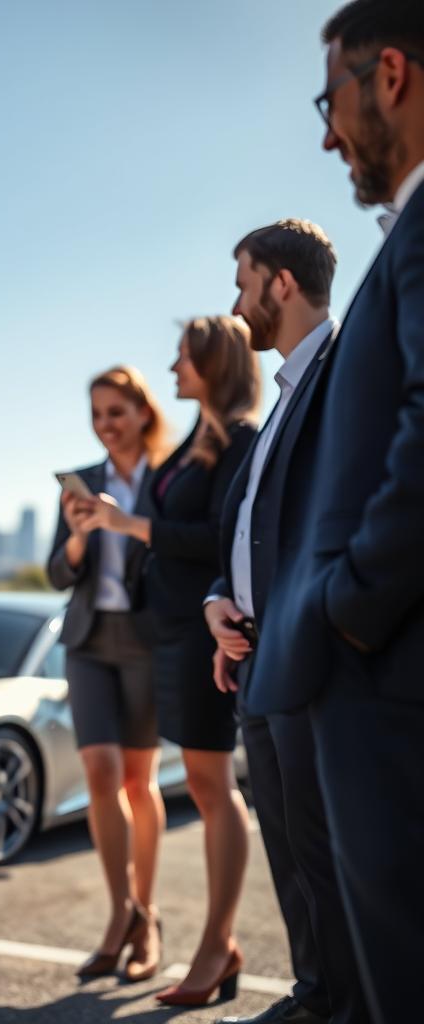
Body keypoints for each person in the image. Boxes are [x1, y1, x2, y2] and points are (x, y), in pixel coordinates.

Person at [248, 4, 424, 1021]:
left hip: (386, 677)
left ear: (387, 75)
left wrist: (348, 603)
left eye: (332, 101)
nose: (327, 134)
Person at [205, 221, 369, 1024]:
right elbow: (248, 531)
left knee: (329, 857)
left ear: (280, 284)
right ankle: (315, 995)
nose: (236, 304)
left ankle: (345, 1004)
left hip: (316, 662)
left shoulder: (346, 373)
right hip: (258, 663)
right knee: (292, 853)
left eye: (243, 283)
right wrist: (217, 603)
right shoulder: (285, 397)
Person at [80, 316, 259, 1007]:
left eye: (183, 358)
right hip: (176, 631)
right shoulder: (203, 439)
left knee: (215, 790)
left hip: (203, 632)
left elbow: (220, 537)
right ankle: (218, 945)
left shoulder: (240, 438)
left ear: (213, 365)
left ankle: (218, 944)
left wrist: (127, 525)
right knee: (207, 787)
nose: (174, 367)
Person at [46, 366, 171, 983]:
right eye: (97, 414)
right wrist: (76, 537)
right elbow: (56, 573)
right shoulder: (81, 483)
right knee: (99, 770)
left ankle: (146, 916)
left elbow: (181, 552)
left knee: (138, 780)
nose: (106, 426)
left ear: (143, 412)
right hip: (90, 640)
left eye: (116, 412)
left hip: (146, 641)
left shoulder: (170, 477)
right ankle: (121, 913)